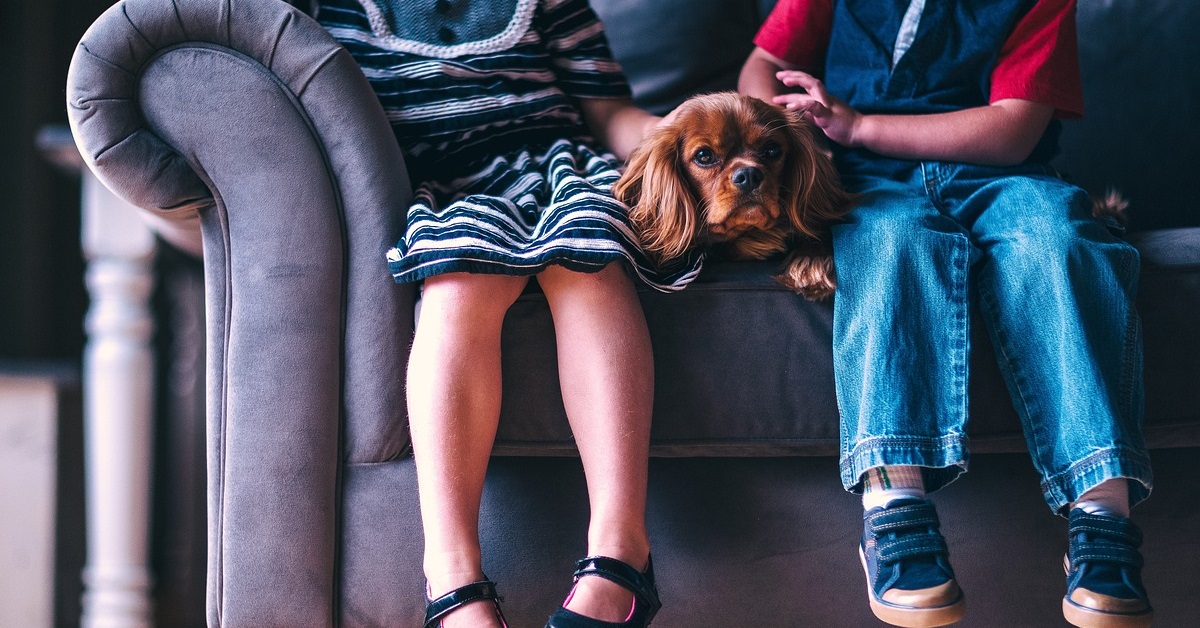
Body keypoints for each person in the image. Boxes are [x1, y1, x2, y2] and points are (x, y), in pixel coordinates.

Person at [740, 1, 1153, 627]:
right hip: (870, 182)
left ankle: (1101, 514)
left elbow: (1013, 129)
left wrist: (859, 127)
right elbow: (764, 65)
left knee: (1060, 244)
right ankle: (893, 506)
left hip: (1001, 175)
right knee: (890, 244)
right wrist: (782, 131)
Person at [315, 1, 694, 626]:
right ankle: (453, 578)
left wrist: (680, 135)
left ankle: (620, 552)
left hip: (560, 167)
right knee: (457, 284)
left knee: (586, 260)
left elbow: (610, 112)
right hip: (449, 183)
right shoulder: (338, 12)